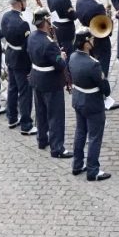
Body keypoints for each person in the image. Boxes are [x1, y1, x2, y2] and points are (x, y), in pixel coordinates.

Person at [68, 27, 111, 182]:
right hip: (92, 103)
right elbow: (105, 88)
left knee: (80, 132)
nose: (93, 41)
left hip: (78, 99)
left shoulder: (72, 57)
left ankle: (77, 164)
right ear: (86, 43)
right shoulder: (93, 64)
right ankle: (93, 169)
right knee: (94, 136)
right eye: (91, 39)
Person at [27, 9, 68, 158]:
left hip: (36, 78)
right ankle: (57, 148)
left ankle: (42, 139)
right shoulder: (49, 43)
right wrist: (62, 57)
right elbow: (60, 65)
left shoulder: (32, 36)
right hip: (51, 82)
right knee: (55, 115)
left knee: (41, 111)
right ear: (45, 21)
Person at [1, 0, 33, 134]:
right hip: (21, 59)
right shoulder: (23, 24)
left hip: (10, 55)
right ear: (21, 2)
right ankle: (26, 124)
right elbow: (27, 46)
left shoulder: (5, 17)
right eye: (25, 1)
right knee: (25, 92)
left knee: (12, 88)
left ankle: (12, 117)